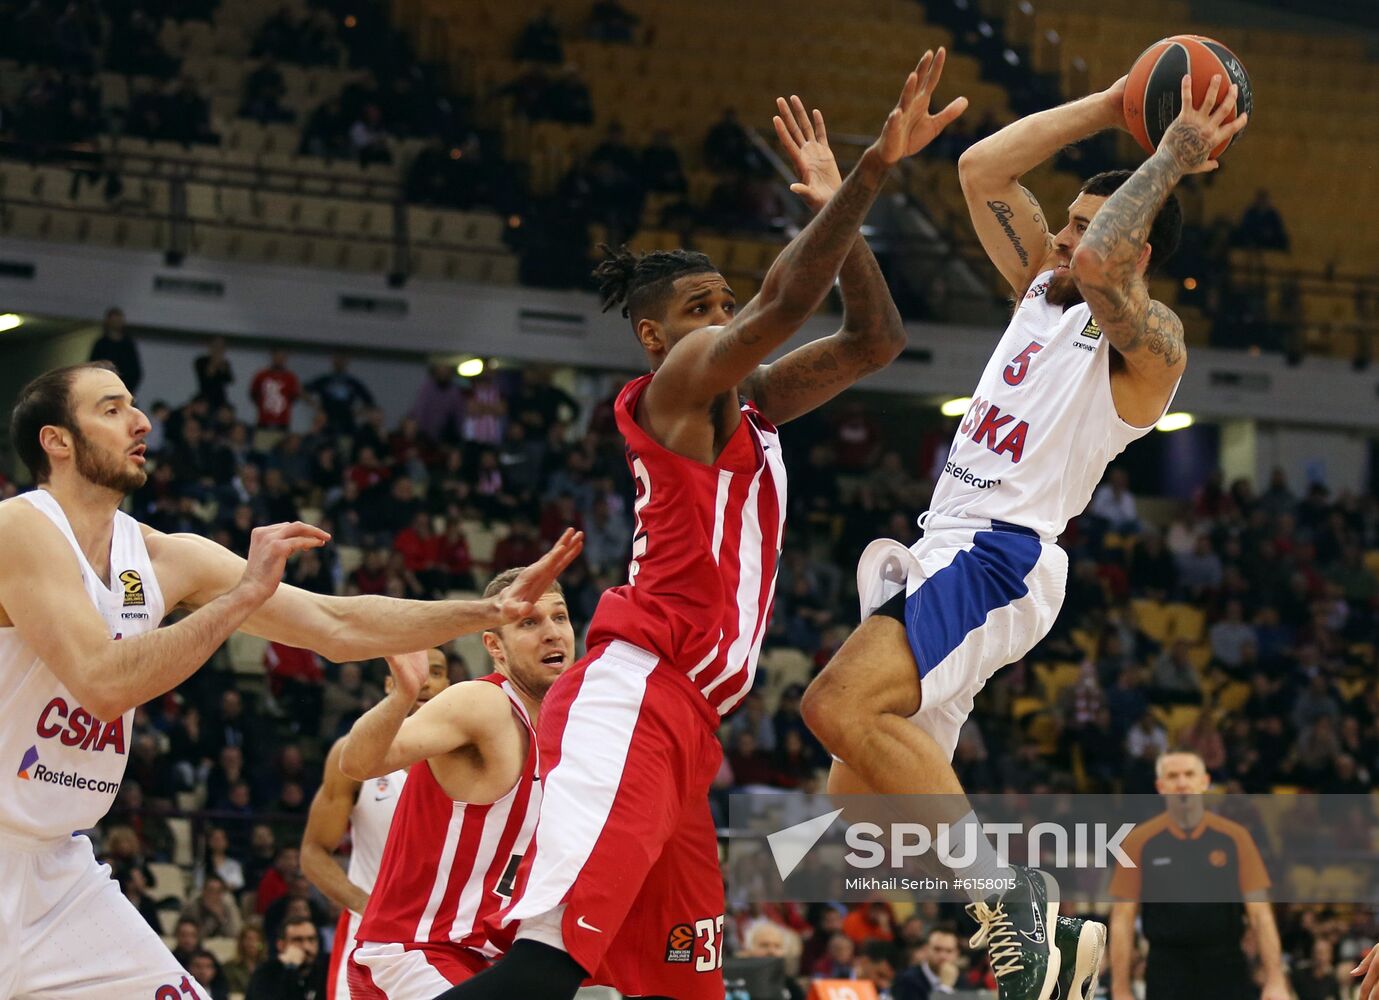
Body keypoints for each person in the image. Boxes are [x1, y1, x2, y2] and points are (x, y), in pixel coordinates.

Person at [437, 53, 961, 1000]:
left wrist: (841, 207)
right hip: (633, 698)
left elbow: (874, 340)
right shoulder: (675, 388)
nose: (720, 318)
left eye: (723, 302)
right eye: (698, 308)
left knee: (685, 989)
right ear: (651, 336)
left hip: (688, 722)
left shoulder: (749, 401)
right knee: (547, 968)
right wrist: (868, 178)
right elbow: (783, 305)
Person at [801, 72, 1248, 1000]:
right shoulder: (1037, 297)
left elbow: (1100, 269)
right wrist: (1120, 97)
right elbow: (978, 170)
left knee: (833, 704)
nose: (1065, 239)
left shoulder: (1148, 348)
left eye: (1088, 226)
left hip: (999, 554)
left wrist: (1167, 156)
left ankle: (1009, 895)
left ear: (1138, 250)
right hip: (945, 546)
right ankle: (1056, 929)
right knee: (850, 830)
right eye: (1066, 222)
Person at [0, 360, 582, 999]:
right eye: (110, 410)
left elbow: (337, 625)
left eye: (133, 406)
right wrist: (242, 596)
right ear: (56, 441)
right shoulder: (23, 526)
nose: (139, 421)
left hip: (58, 868)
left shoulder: (161, 555)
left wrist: (485, 612)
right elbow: (103, 684)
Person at [340, 568, 576, 995]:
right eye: (529, 622)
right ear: (494, 646)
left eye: (559, 617)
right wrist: (401, 698)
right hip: (417, 954)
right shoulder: (483, 703)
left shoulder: (573, 729)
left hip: (492, 961)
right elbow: (357, 761)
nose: (552, 633)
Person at [302, 648, 452, 1000]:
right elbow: (313, 852)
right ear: (389, 684)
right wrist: (366, 905)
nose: (426, 679)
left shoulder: (474, 759)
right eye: (416, 669)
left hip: (447, 935)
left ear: (450, 686)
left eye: (437, 671)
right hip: (368, 935)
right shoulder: (348, 755)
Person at [1109, 751, 1287, 1000]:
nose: (1182, 783)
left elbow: (1260, 914)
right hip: (1166, 968)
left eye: (1189, 774)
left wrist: (1276, 980)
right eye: (1173, 776)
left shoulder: (1235, 837)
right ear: (1161, 787)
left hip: (1226, 966)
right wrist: (1121, 989)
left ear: (1204, 782)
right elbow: (1122, 919)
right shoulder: (1138, 841)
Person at [247, 915, 329, 1000]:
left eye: (311, 939)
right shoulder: (266, 972)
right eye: (297, 940)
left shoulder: (326, 971)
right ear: (281, 945)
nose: (306, 947)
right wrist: (291, 968)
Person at [88, 306, 142, 392]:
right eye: (114, 321)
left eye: (118, 320)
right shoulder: (101, 344)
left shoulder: (128, 344)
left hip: (124, 388)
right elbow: (92, 368)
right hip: (103, 388)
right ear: (108, 322)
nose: (116, 323)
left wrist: (126, 389)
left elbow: (135, 371)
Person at [251, 349, 303, 431]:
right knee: (262, 442)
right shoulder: (261, 375)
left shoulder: (291, 377)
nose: (279, 359)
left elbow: (294, 396)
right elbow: (254, 393)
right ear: (272, 357)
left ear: (286, 359)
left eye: (282, 357)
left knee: (283, 442)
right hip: (264, 420)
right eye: (277, 356)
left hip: (283, 421)